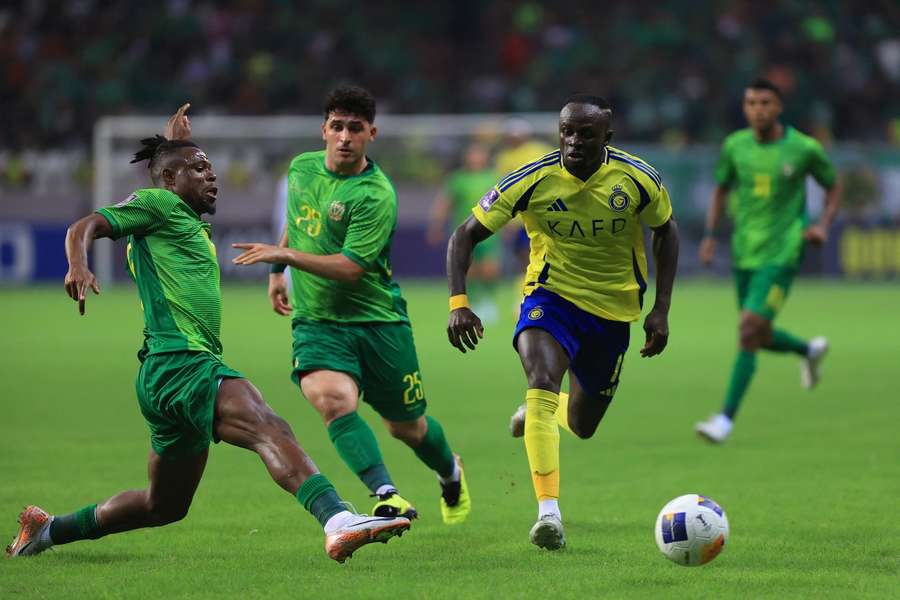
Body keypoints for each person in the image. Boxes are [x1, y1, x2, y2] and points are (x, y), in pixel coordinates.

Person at [5, 107, 409, 563]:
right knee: (268, 426)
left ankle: (47, 530)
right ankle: (337, 520)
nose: (212, 176)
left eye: (211, 167)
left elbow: (166, 170)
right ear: (171, 180)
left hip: (164, 374)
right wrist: (78, 263)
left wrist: (172, 145)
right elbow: (86, 225)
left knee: (165, 506)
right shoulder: (159, 204)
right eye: (199, 169)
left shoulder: (176, 216)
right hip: (183, 362)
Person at [446, 94, 679, 550]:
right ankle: (548, 513)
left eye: (585, 134)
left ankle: (540, 416)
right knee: (541, 377)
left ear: (606, 138)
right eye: (567, 132)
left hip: (614, 312)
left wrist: (662, 309)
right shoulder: (533, 178)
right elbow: (464, 235)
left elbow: (666, 232)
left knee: (585, 422)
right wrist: (458, 302)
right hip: (550, 298)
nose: (573, 141)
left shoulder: (637, 179)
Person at [230, 86, 471, 525]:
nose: (344, 136)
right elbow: (299, 220)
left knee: (407, 428)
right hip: (318, 322)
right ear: (324, 129)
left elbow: (350, 268)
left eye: (354, 129)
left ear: (371, 134)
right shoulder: (301, 168)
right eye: (337, 126)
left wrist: (282, 258)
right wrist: (276, 274)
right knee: (332, 399)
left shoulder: (375, 194)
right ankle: (386, 494)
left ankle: (450, 470)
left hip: (378, 323)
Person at [694, 79, 841, 444]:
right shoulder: (735, 146)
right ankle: (808, 350)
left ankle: (724, 419)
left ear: (779, 107)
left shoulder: (804, 148)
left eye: (765, 102)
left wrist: (822, 225)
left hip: (783, 252)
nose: (757, 109)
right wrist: (711, 237)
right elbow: (721, 189)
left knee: (748, 329)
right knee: (756, 332)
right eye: (751, 103)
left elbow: (833, 185)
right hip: (746, 252)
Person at [427, 142, 501, 323]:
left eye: (479, 155)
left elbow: (504, 203)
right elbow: (445, 203)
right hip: (465, 232)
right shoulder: (457, 179)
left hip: (489, 231)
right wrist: (436, 225)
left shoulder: (492, 177)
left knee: (491, 269)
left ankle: (488, 300)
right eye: (473, 155)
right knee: (471, 269)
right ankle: (475, 302)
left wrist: (511, 224)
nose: (476, 158)